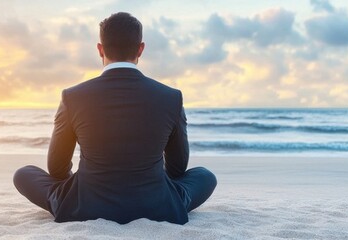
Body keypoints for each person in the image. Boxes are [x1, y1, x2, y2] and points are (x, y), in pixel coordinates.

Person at [12, 12, 217, 224]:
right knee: (205, 176)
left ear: (100, 49)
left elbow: (56, 168)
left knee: (24, 174)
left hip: (84, 206)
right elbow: (177, 168)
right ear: (141, 49)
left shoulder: (72, 96)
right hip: (157, 206)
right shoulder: (171, 97)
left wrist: (80, 185)